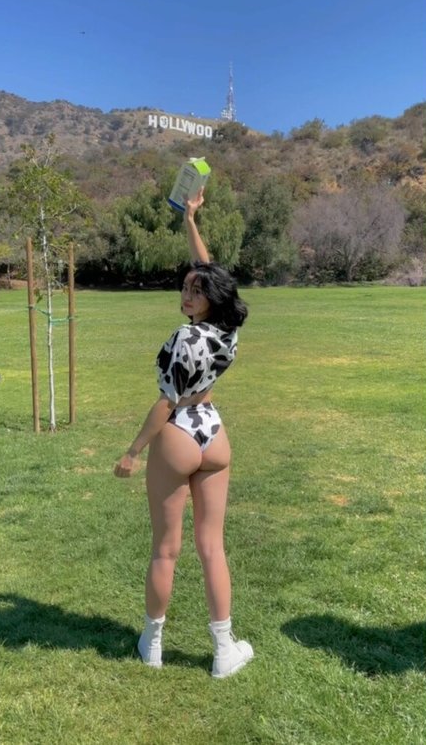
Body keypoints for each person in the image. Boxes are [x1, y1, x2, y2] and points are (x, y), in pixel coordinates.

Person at [114, 187, 253, 678]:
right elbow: (209, 267)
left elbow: (166, 403)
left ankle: (152, 644)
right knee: (212, 546)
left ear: (210, 298)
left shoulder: (184, 338)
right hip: (213, 432)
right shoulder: (227, 330)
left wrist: (133, 451)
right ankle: (223, 650)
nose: (187, 293)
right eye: (186, 286)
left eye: (196, 290)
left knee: (165, 548)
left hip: (177, 433)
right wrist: (190, 219)